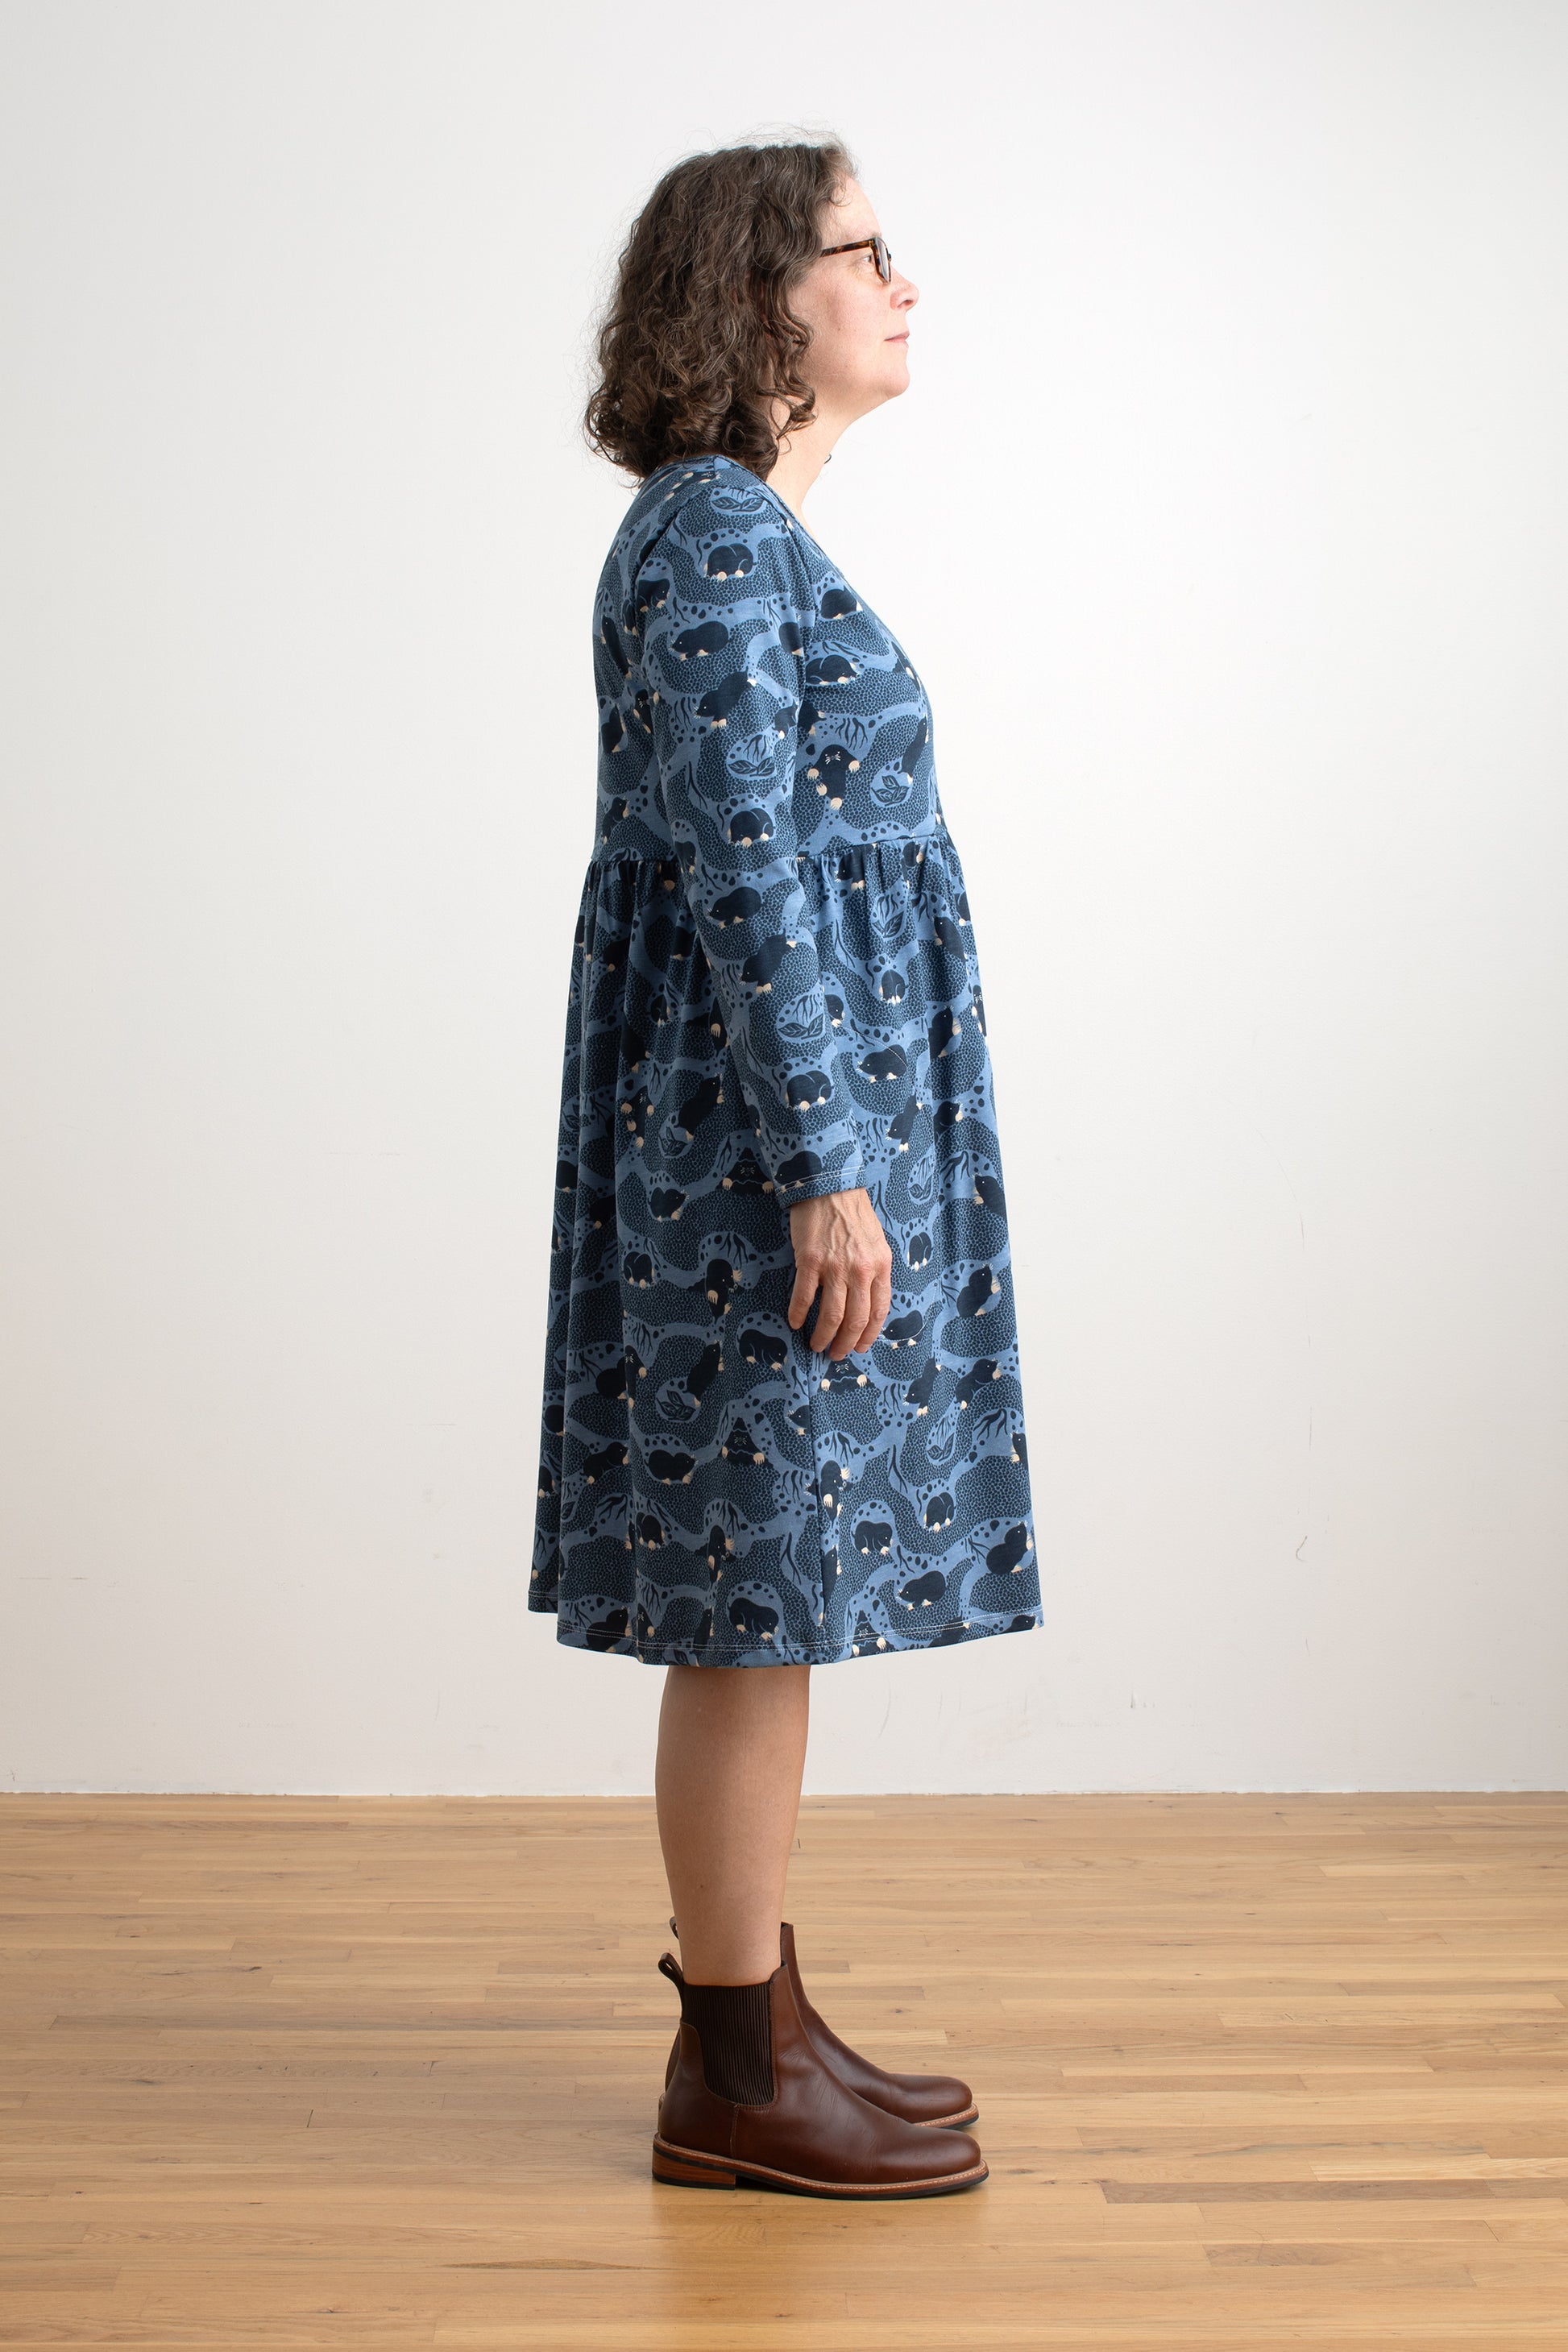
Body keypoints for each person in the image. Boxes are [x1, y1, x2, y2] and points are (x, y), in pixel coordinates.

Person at [529, 135, 1043, 2198]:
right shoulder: (719, 539)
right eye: (864, 249)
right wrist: (829, 1164)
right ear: (759, 296)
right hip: (756, 1152)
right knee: (749, 1598)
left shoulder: (730, 534)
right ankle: (732, 2073)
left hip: (768, 1129)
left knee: (775, 1589)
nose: (903, 283)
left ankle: (760, 2023)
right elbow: (743, 871)